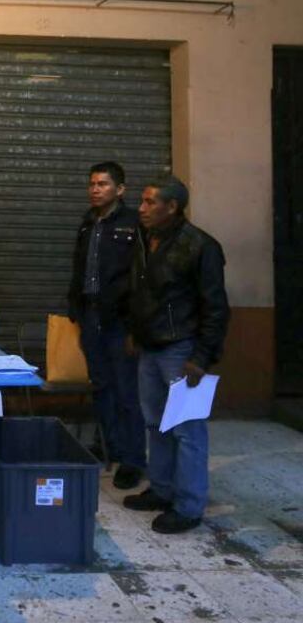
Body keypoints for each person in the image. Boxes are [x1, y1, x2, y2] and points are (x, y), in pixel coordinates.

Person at [122, 176, 230, 534]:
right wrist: (135, 333)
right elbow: (141, 293)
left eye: (151, 202)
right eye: (142, 201)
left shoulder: (200, 247)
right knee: (155, 423)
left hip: (183, 350)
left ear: (173, 207)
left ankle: (188, 506)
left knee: (188, 430)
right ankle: (162, 489)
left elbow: (215, 308)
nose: (142, 208)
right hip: (150, 348)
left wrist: (202, 357)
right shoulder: (144, 239)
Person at [67, 161, 146, 489]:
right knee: (101, 386)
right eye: (92, 184)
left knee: (126, 390)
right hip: (91, 317)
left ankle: (132, 459)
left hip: (120, 321)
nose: (95, 189)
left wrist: (134, 323)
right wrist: (75, 307)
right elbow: (79, 268)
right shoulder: (88, 223)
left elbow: (142, 276)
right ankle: (110, 446)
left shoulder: (133, 224)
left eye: (103, 184)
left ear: (120, 190)